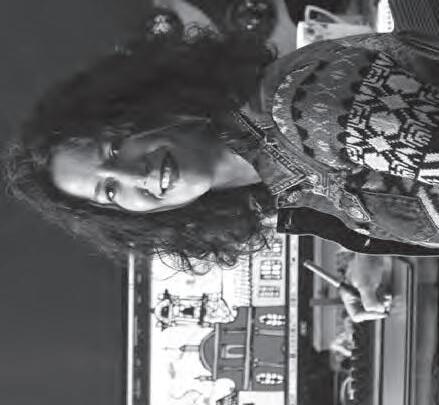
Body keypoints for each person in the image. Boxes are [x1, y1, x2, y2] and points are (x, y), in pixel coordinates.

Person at [4, 0, 439, 321]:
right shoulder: (270, 182)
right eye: (110, 191)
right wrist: (366, 247)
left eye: (114, 148)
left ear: (146, 106)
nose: (131, 174)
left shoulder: (300, 111)